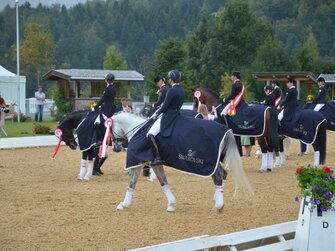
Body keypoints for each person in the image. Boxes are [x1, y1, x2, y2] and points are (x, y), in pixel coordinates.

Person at [146, 70, 185, 166]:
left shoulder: (172, 90)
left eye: (169, 78)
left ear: (172, 79)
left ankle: (157, 157)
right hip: (177, 115)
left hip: (168, 116)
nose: (168, 80)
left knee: (150, 134)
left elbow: (165, 106)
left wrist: (156, 113)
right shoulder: (181, 90)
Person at [93, 73, 116, 146]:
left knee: (96, 122)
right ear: (113, 81)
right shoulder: (113, 88)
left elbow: (103, 99)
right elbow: (109, 100)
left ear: (106, 80)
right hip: (112, 108)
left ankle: (100, 139)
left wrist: (95, 107)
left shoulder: (108, 88)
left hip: (107, 110)